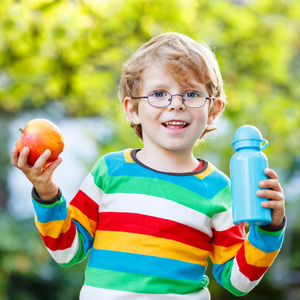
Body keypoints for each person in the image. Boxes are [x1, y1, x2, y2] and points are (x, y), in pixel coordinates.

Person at [11, 32, 285, 300]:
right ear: (132, 109)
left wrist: (269, 230)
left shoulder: (218, 189)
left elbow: (239, 281)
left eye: (191, 94)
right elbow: (67, 250)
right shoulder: (110, 171)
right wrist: (47, 192)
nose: (176, 104)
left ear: (213, 109)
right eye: (159, 93)